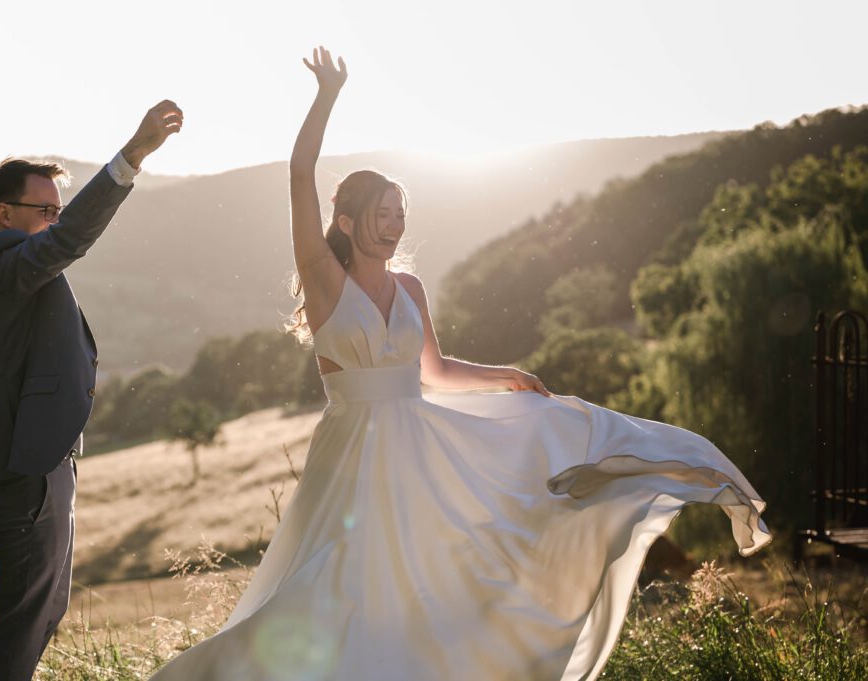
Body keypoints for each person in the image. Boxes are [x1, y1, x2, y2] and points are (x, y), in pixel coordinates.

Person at [149, 49, 770, 681]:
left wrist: (504, 375)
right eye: (381, 215)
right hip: (354, 454)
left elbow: (435, 372)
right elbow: (299, 174)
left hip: (418, 446)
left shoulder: (411, 287)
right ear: (346, 220)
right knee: (336, 582)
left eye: (400, 215)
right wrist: (328, 96)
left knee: (436, 578)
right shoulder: (323, 279)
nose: (393, 226)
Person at [0, 100, 183, 681]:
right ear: (4, 214)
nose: (55, 219)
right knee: (20, 620)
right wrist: (131, 156)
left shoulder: (10, 262)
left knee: (44, 611)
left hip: (39, 464)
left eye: (57, 209)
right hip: (17, 468)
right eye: (45, 209)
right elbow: (71, 238)